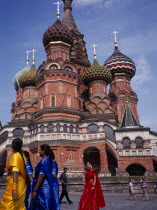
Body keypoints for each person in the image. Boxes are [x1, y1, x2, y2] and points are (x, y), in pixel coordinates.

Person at [29, 144, 60, 210]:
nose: (39, 152)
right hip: (46, 186)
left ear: (44, 151)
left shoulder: (45, 160)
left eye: (40, 150)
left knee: (42, 205)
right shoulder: (49, 160)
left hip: (43, 187)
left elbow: (41, 175)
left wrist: (35, 189)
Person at [0, 138, 26, 209]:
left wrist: (14, 190)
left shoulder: (15, 156)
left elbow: (15, 172)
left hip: (15, 184)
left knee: (8, 205)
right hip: (21, 183)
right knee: (18, 205)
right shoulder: (22, 156)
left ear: (12, 145)